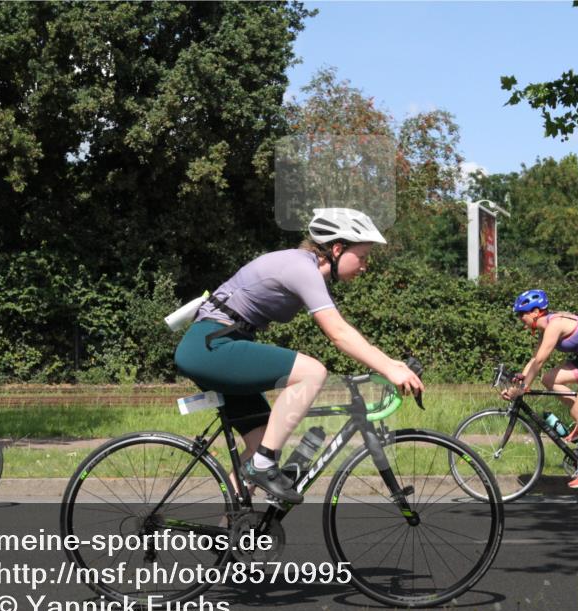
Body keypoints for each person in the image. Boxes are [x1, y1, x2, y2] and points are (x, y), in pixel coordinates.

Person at [174, 208, 424, 503]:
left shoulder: (303, 268)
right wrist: (390, 368)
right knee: (312, 372)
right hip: (211, 346)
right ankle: (263, 466)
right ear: (337, 249)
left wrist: (391, 364)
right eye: (363, 256)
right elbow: (338, 333)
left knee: (265, 439)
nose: (365, 266)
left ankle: (228, 530)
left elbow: (343, 329)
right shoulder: (300, 268)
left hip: (217, 344)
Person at [501, 289, 578, 489]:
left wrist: (522, 389)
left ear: (535, 312)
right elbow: (534, 359)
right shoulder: (546, 327)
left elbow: (541, 360)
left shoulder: (554, 325)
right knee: (548, 379)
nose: (520, 319)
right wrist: (520, 384)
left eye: (521, 314)